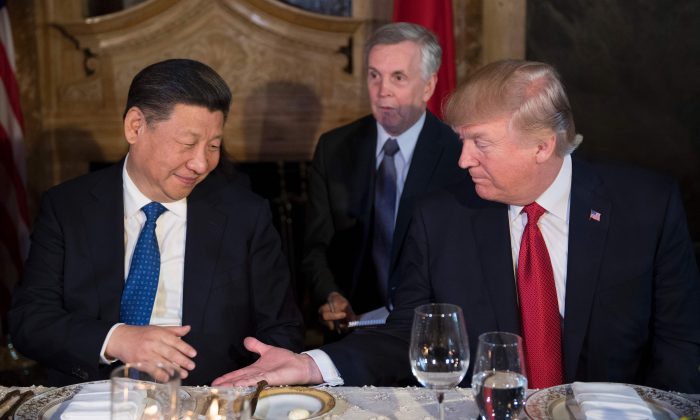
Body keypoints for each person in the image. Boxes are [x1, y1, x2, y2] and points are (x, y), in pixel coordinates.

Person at [213, 59, 700, 393]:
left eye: (480, 143)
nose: (463, 160)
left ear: (542, 146)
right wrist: (312, 364)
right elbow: (406, 334)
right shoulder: (441, 216)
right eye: (461, 141)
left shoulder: (646, 207)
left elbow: (679, 342)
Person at [8, 58, 304, 386]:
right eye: (188, 144)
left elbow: (282, 329)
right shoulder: (67, 207)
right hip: (95, 398)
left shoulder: (245, 215)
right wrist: (116, 339)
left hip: (206, 400)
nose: (201, 163)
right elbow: (28, 321)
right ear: (136, 126)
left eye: (214, 146)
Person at [304, 22, 465, 335]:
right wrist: (331, 295)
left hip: (431, 331)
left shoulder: (459, 155)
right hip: (351, 331)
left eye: (398, 77)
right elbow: (315, 248)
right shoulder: (333, 148)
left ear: (429, 86)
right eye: (374, 75)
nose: (382, 91)